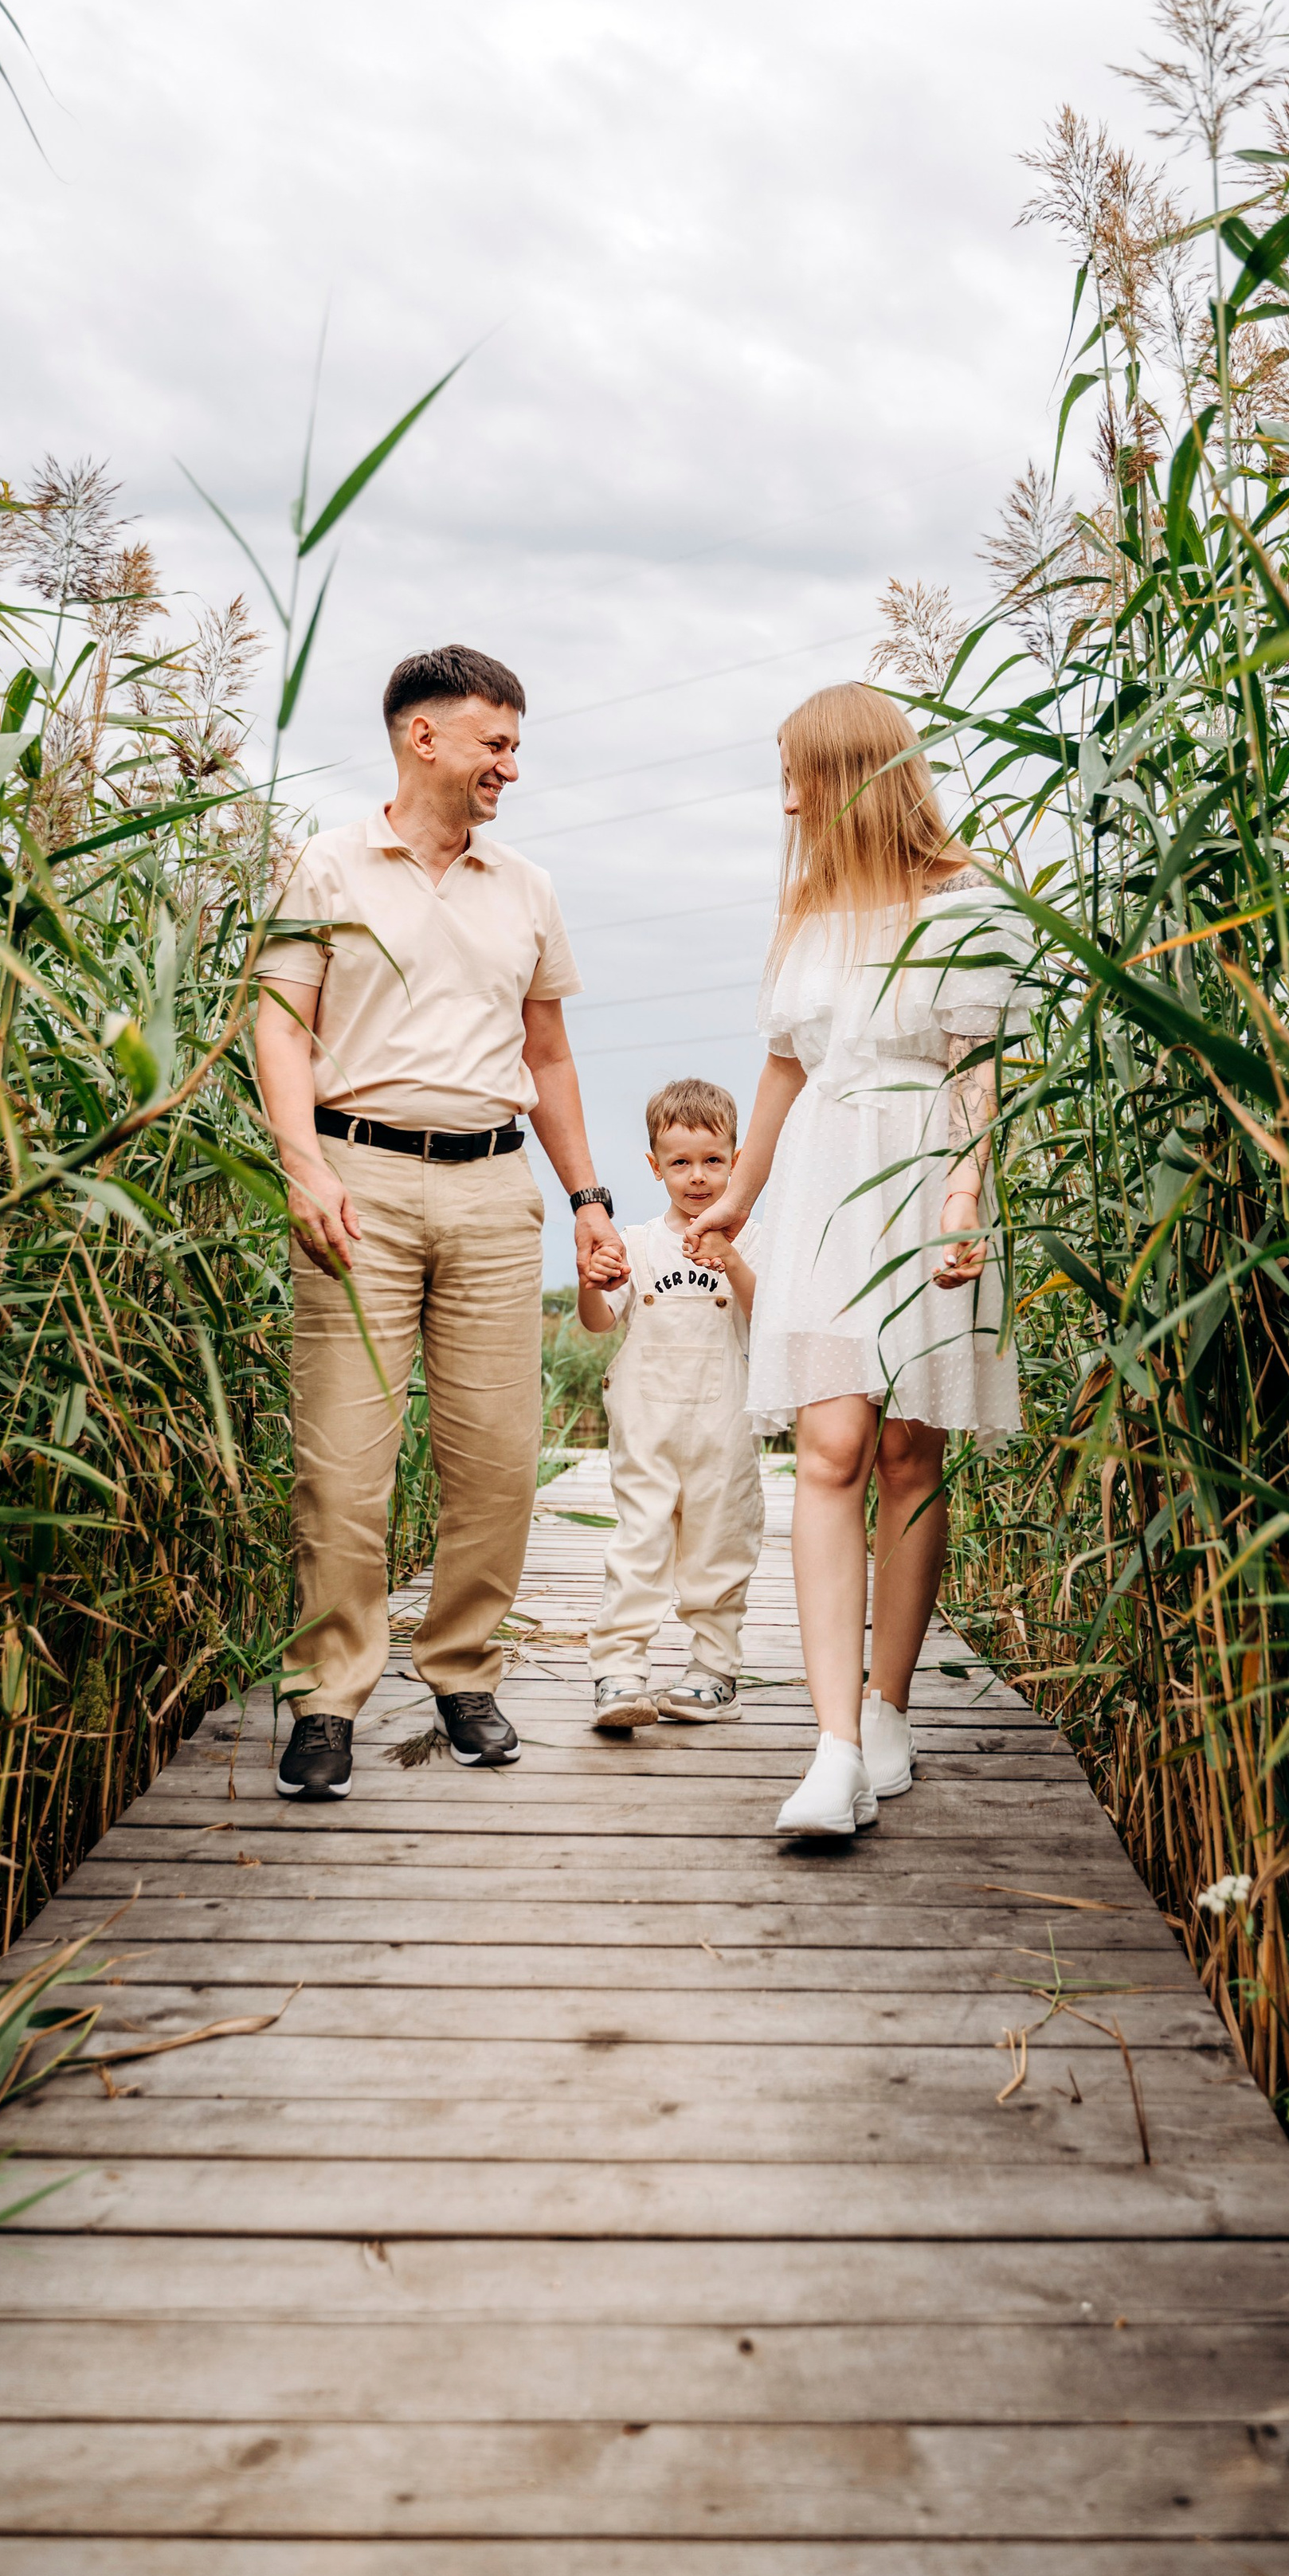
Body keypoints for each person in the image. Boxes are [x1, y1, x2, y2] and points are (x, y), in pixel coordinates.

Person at [253, 643, 626, 1802]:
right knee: (344, 1466)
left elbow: (550, 1054)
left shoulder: (526, 886)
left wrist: (589, 1200)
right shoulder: (325, 866)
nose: (511, 766)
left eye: (516, 746)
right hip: (357, 1181)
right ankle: (328, 1697)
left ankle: (463, 1672)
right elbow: (276, 1024)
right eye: (495, 743)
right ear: (425, 738)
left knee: (499, 1459)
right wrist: (302, 1165)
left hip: (491, 1187)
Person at [688, 684, 1028, 1838]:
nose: (785, 797)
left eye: (800, 774)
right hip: (833, 1179)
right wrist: (739, 1197)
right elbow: (786, 1067)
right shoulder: (807, 908)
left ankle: (890, 1706)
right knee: (831, 1442)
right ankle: (831, 1747)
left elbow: (980, 1060)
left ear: (853, 775)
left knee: (907, 1444)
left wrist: (967, 1187)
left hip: (927, 1167)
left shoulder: (967, 900)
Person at [577, 1079, 765, 1733]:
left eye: (713, 1160)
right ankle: (619, 1669)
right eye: (680, 1162)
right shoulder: (634, 1242)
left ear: (737, 1162)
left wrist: (733, 1261)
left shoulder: (754, 1245)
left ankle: (713, 1672)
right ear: (655, 1167)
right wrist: (590, 1280)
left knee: (719, 1548)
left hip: (725, 1432)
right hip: (647, 1428)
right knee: (639, 1545)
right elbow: (601, 1324)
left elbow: (764, 1320)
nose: (697, 1177)